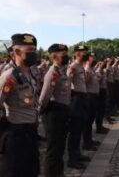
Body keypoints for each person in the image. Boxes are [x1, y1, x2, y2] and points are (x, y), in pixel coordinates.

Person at [0, 33, 40, 177]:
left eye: (34, 50)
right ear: (16, 52)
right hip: (16, 134)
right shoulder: (10, 76)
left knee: (31, 171)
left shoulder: (29, 74)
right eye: (29, 50)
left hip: (31, 132)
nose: (33, 54)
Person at [39, 43, 71, 177]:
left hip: (62, 112)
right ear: (55, 57)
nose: (66, 57)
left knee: (59, 148)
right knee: (53, 149)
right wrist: (39, 113)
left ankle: (58, 173)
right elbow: (45, 97)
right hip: (54, 113)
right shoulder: (52, 73)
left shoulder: (61, 71)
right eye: (63, 55)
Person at [67, 45, 90, 169]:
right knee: (75, 130)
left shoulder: (81, 66)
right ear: (77, 53)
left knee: (80, 127)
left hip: (83, 97)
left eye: (86, 52)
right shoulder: (73, 67)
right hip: (76, 98)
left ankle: (77, 153)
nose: (86, 54)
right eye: (83, 52)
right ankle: (72, 159)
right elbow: (67, 83)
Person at [83, 52, 101, 151]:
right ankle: (86, 142)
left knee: (90, 121)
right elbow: (84, 82)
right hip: (89, 97)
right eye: (92, 58)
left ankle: (89, 140)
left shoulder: (91, 69)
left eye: (95, 57)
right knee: (87, 121)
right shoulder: (87, 70)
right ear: (87, 59)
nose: (94, 59)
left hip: (93, 96)